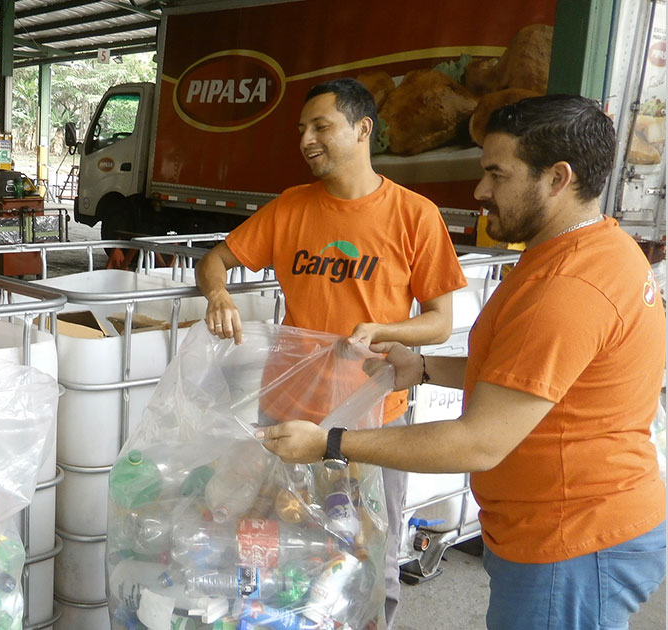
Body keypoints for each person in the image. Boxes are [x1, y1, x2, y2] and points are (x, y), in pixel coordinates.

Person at [260, 94, 667, 629]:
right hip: (559, 530)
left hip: (571, 541)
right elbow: (526, 375)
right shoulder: (586, 250)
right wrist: (424, 368)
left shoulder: (569, 286)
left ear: (557, 178)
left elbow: (478, 442)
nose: (480, 191)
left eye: (497, 174)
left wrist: (329, 442)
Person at [196, 77, 469, 625]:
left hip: (372, 417)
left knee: (370, 551)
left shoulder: (414, 215)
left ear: (363, 129)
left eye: (321, 127)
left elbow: (440, 323)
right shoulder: (290, 208)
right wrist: (218, 294)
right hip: (287, 409)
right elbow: (215, 260)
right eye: (302, 129)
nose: (306, 140)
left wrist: (386, 329)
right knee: (284, 540)